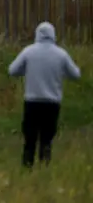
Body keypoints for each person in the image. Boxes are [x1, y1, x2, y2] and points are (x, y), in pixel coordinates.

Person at [8, 21, 81, 168]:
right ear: (53, 35)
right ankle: (44, 167)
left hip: (32, 101)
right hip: (52, 103)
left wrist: (26, 71)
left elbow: (12, 70)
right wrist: (62, 72)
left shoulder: (28, 51)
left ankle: (27, 167)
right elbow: (76, 74)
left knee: (30, 138)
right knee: (46, 139)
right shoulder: (61, 54)